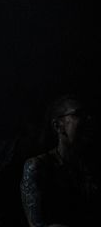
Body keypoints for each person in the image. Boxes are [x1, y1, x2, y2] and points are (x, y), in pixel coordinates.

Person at [20, 94, 99, 227]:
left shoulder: (91, 166)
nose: (88, 118)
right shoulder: (38, 167)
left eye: (88, 114)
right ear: (58, 126)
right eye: (78, 114)